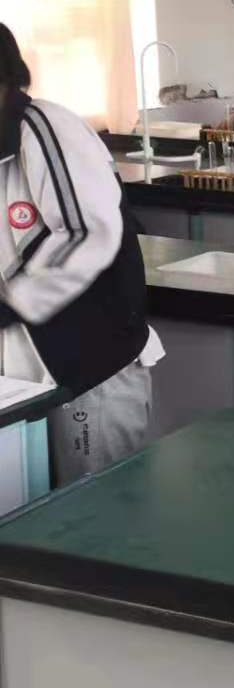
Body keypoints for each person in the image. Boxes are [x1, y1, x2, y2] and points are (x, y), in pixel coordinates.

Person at [0, 24, 164, 485]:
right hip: (31, 374)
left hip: (93, 369)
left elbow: (88, 233)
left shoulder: (45, 129)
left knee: (100, 510)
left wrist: (14, 303)